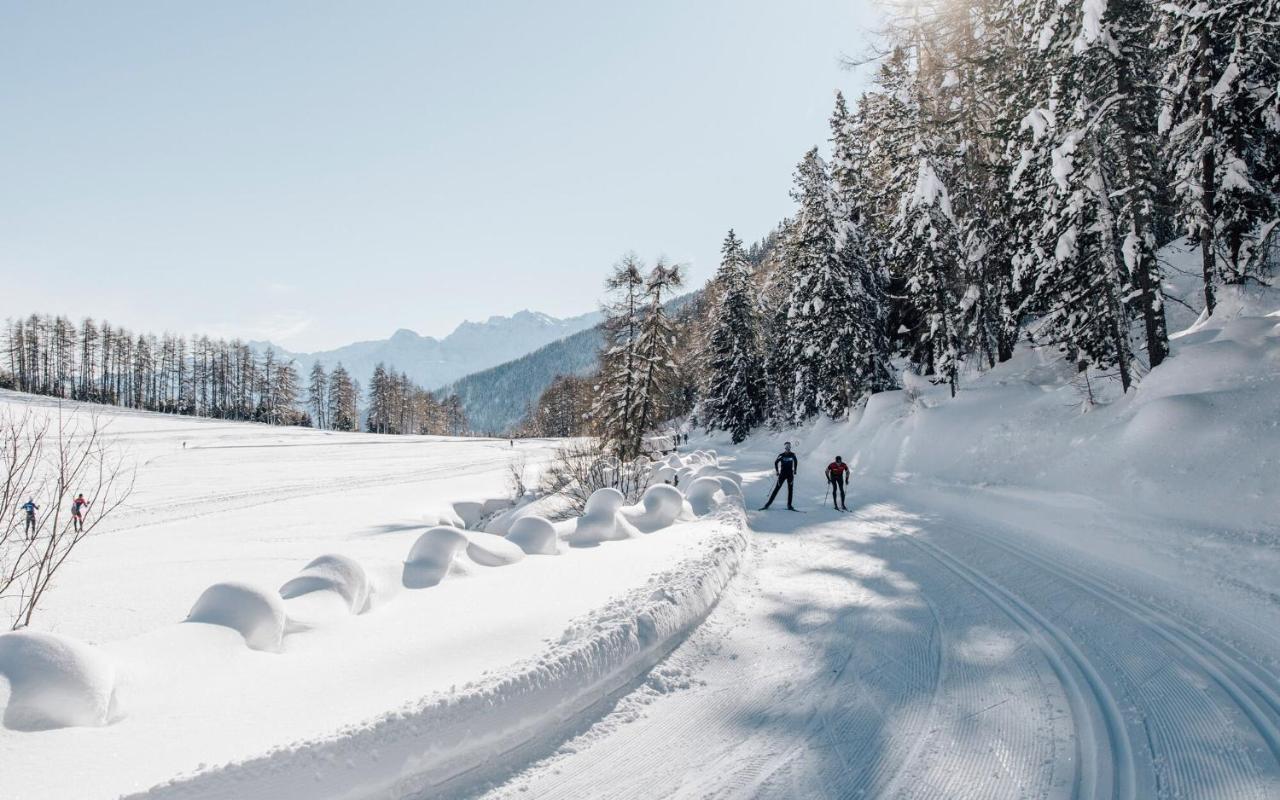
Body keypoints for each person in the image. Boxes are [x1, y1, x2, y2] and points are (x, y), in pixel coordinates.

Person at [760, 442, 800, 511]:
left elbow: (796, 461)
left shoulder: (793, 455)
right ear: (785, 447)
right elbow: (775, 462)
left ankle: (789, 505)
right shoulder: (781, 455)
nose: (787, 448)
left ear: (790, 447)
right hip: (782, 475)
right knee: (776, 489)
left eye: (789, 446)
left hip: (790, 475)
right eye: (786, 446)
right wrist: (777, 472)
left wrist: (795, 470)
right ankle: (767, 504)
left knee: (790, 490)